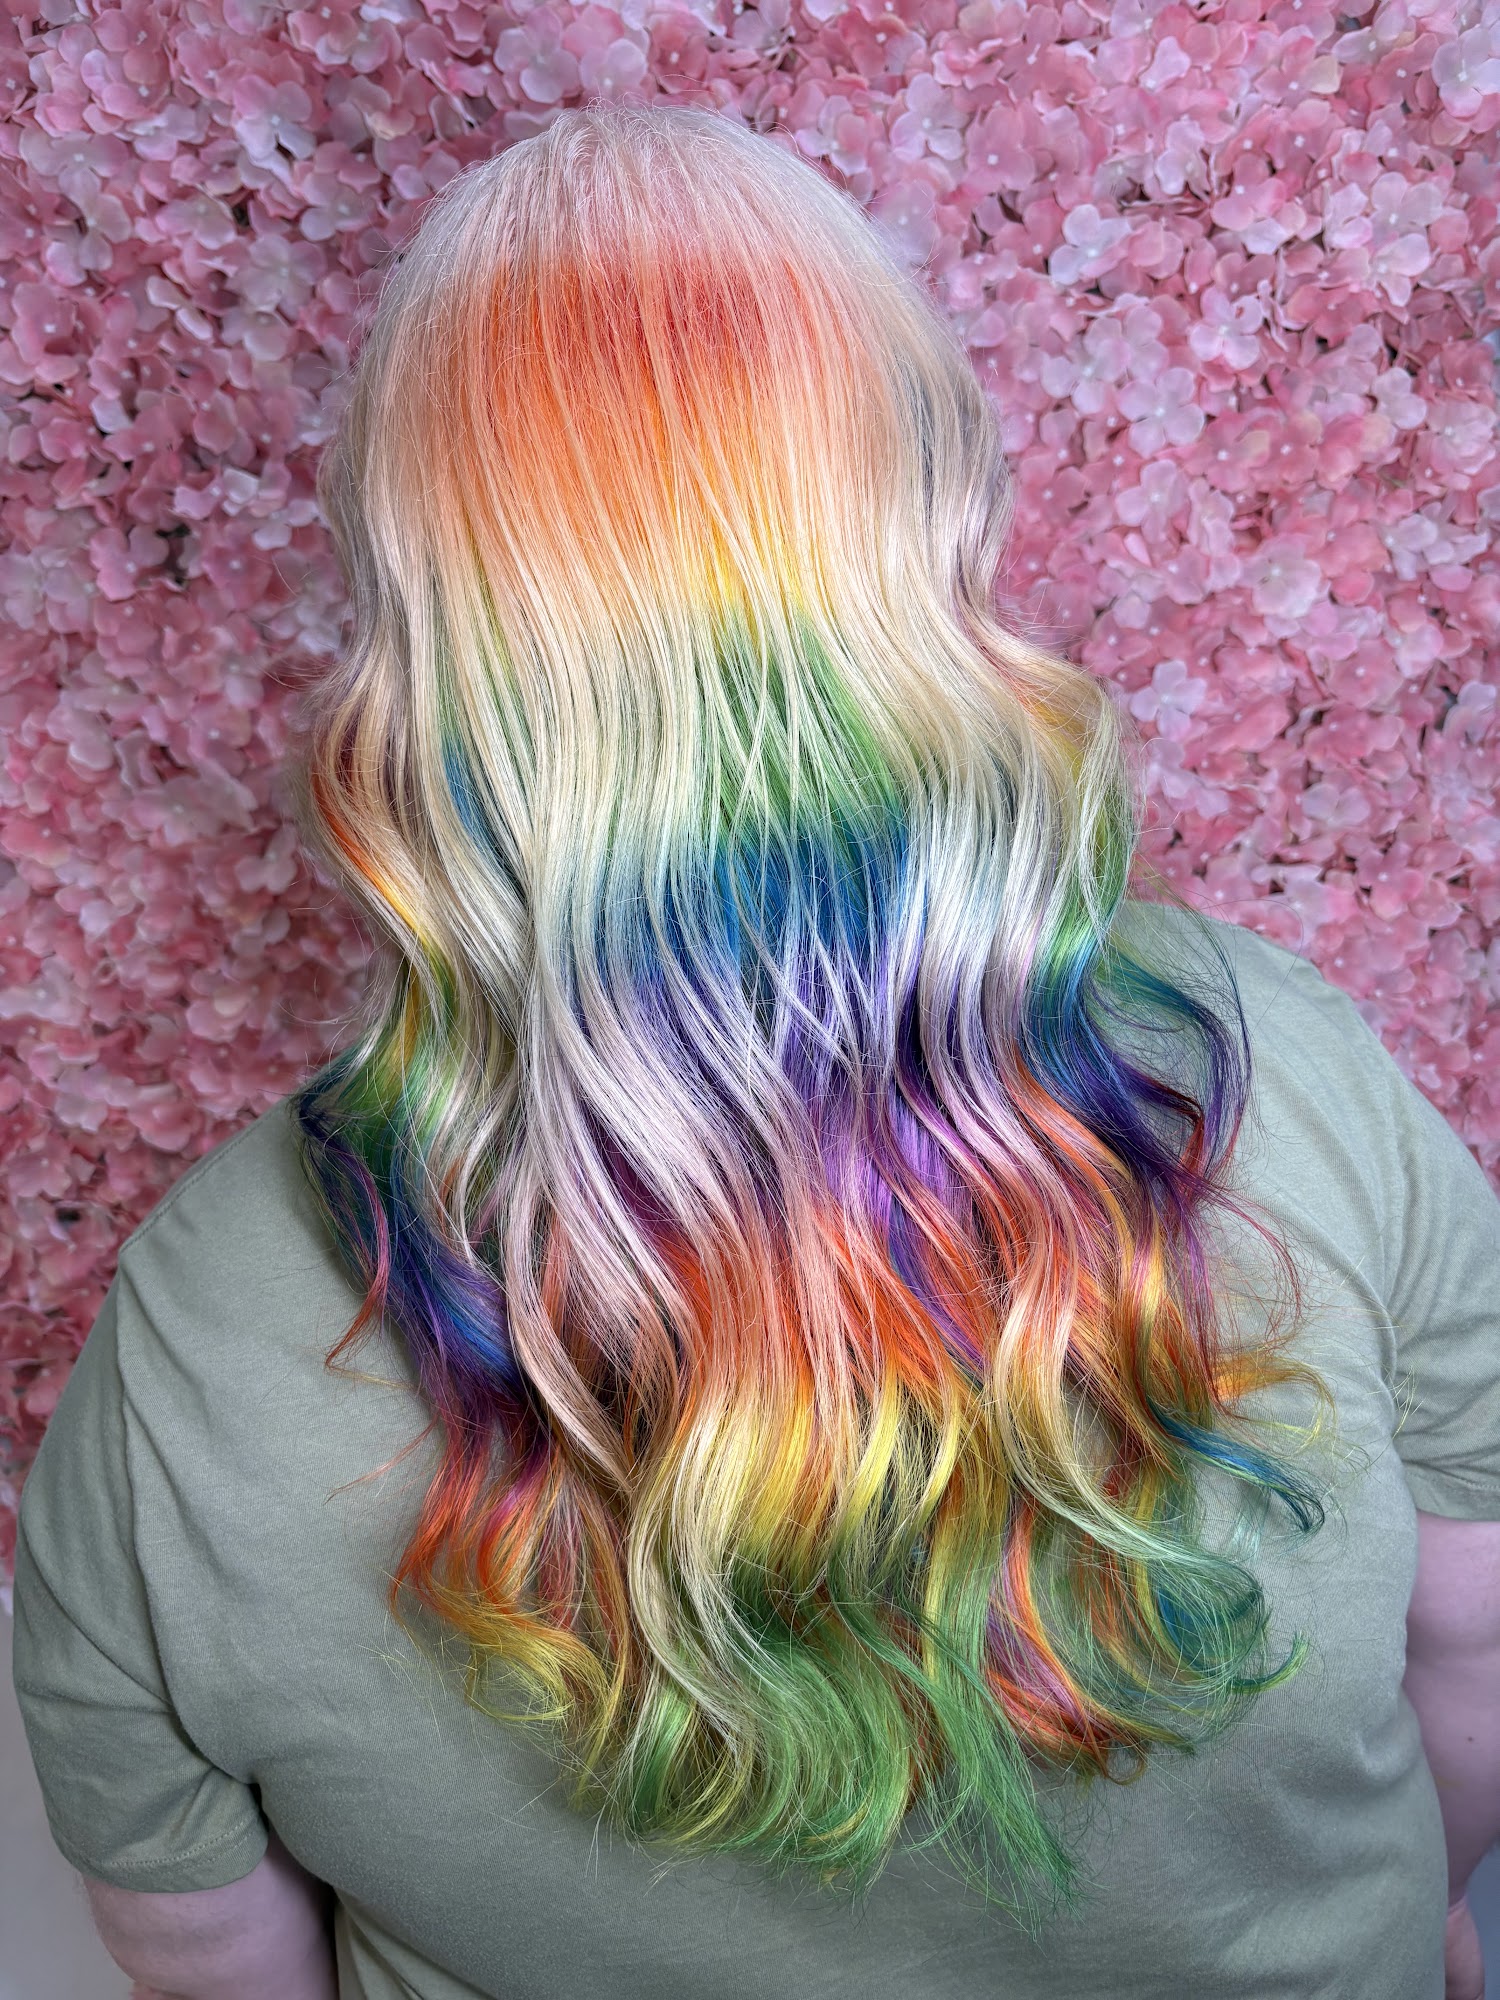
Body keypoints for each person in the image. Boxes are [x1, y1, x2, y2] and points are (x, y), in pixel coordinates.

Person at [10, 101, 1500, 2000]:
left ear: (417, 629)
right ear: (935, 525)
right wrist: (1399, 1914)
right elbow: (1471, 1656)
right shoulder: (1284, 1078)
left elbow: (198, 1941)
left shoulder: (193, 1330)